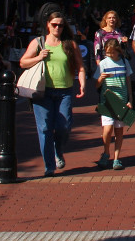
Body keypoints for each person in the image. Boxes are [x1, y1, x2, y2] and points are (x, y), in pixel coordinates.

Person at [19, 12, 86, 177]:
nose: (57, 28)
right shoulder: (38, 43)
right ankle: (49, 166)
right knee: (45, 128)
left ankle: (58, 149)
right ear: (48, 25)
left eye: (60, 25)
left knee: (64, 126)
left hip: (65, 91)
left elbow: (80, 66)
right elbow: (23, 62)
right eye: (54, 24)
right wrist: (38, 57)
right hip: (43, 92)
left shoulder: (69, 44)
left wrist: (82, 84)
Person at [96, 39, 133, 170]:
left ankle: (116, 158)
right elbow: (96, 85)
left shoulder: (124, 62)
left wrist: (130, 98)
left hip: (121, 100)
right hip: (107, 100)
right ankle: (106, 152)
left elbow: (128, 81)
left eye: (112, 52)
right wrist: (101, 78)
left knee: (119, 130)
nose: (110, 55)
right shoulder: (103, 63)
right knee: (107, 129)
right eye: (107, 53)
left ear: (118, 51)